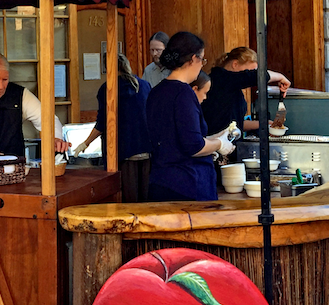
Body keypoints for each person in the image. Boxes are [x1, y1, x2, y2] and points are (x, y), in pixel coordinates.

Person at [145, 31, 229, 202]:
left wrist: (214, 139)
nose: (202, 66)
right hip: (188, 184)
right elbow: (193, 146)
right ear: (193, 59)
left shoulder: (156, 92)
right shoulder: (183, 93)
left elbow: (172, 139)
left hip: (160, 180)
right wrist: (220, 144)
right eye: (202, 60)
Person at [75, 54, 152, 201]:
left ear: (107, 68)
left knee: (127, 202)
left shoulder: (108, 89)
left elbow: (103, 123)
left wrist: (86, 143)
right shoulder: (144, 85)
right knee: (146, 200)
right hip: (147, 150)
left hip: (122, 152)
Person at [201, 47, 292, 136]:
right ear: (235, 64)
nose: (251, 74)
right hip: (215, 144)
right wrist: (280, 76)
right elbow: (254, 77)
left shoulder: (234, 88)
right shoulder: (220, 79)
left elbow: (237, 122)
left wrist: (265, 124)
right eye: (250, 71)